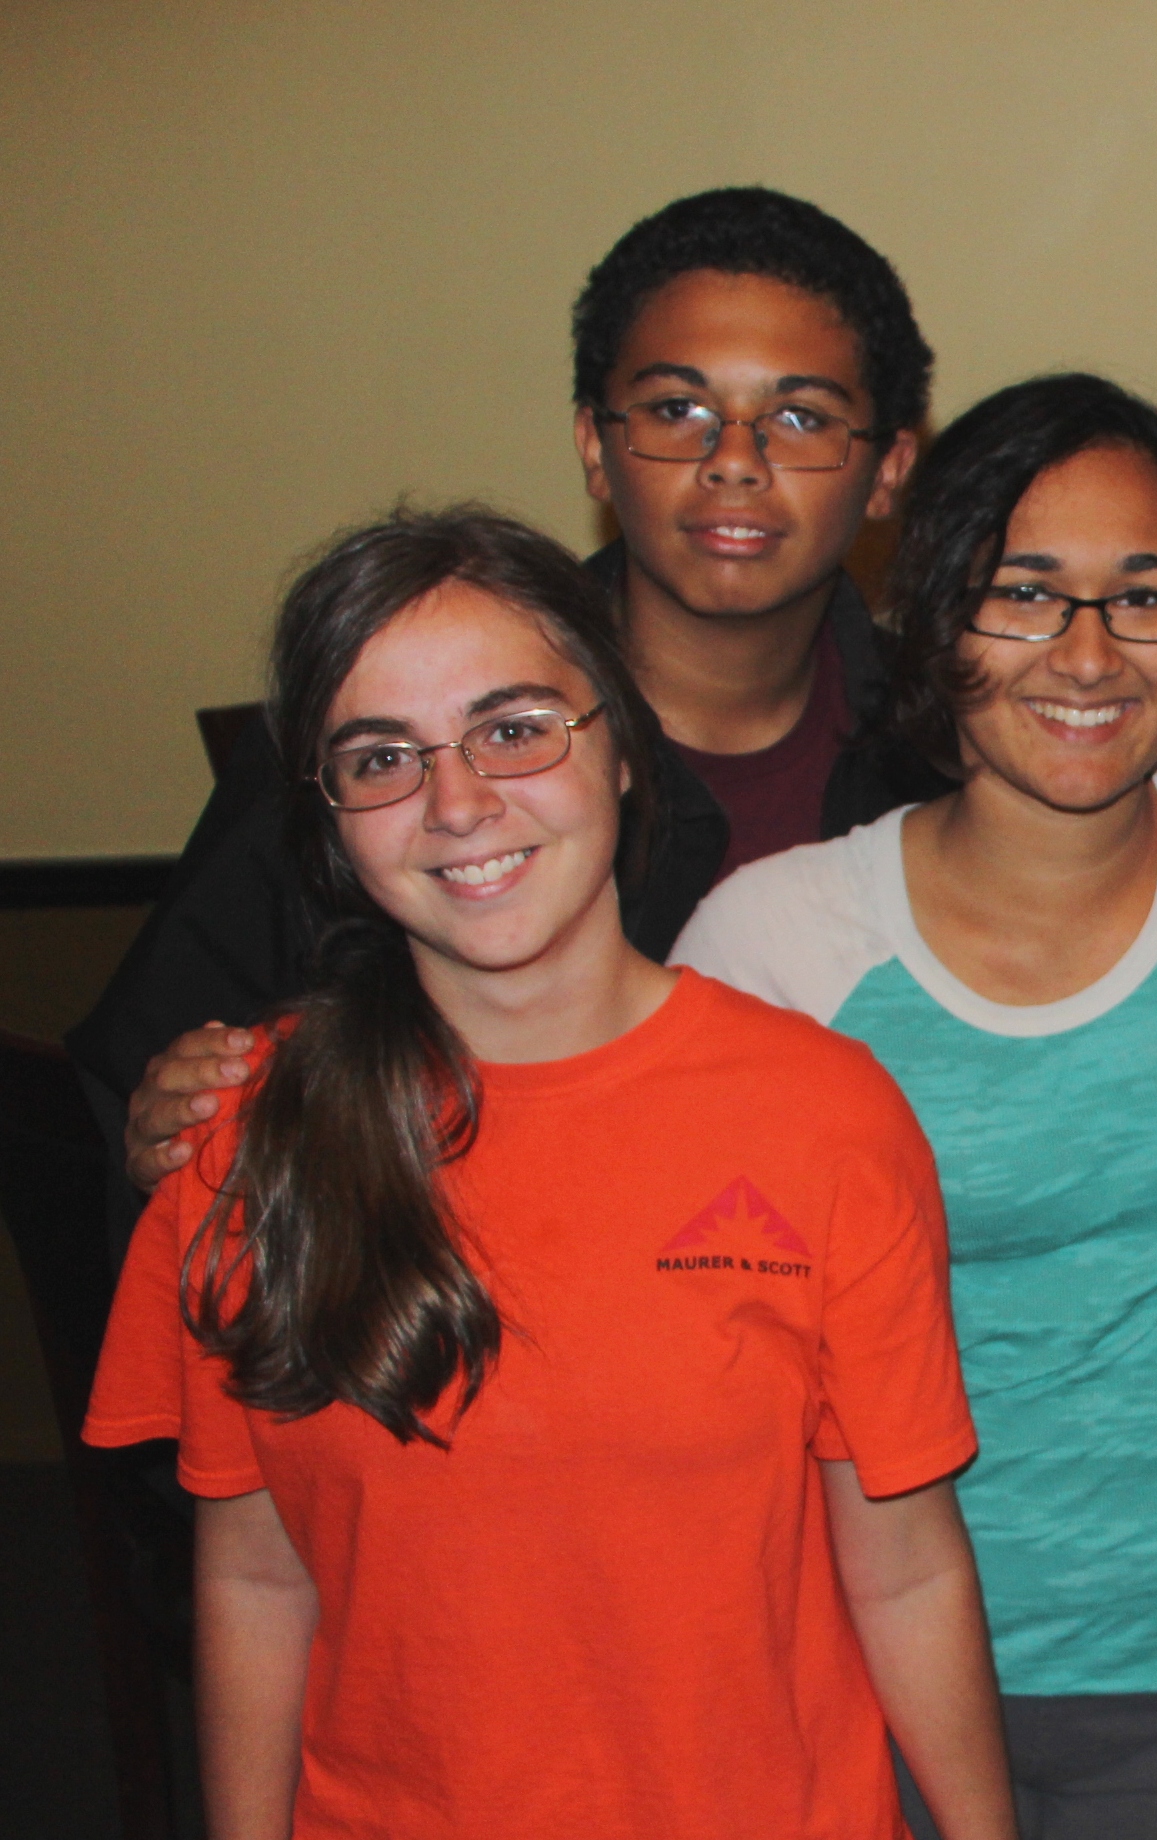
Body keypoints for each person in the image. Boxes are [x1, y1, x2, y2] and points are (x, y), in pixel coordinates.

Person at [81, 508, 1016, 1840]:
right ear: (328, 817)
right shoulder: (251, 1137)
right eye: (381, 758)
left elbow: (907, 1567)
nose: (458, 803)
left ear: (623, 747)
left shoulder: (823, 1116)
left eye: (514, 729)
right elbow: (254, 1577)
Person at [674, 373, 1157, 1840]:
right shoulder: (780, 945)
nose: (1088, 653)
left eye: (1145, 596)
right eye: (1022, 593)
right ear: (931, 620)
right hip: (849, 1657)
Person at [72, 185, 943, 1232]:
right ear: (594, 445)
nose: (733, 462)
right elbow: (138, 1099)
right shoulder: (390, 742)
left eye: (800, 418)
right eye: (676, 410)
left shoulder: (949, 748)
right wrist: (166, 1127)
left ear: (889, 468)